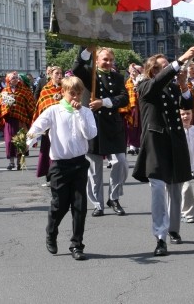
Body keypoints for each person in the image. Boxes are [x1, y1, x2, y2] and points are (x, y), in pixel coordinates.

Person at [133, 45, 194, 256]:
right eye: (163, 67)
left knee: (176, 189)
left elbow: (186, 104)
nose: (169, 70)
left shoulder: (171, 87)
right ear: (153, 70)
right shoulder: (144, 85)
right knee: (158, 190)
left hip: (175, 141)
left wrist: (183, 85)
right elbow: (155, 85)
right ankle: (160, 236)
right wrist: (180, 60)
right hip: (156, 142)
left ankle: (173, 229)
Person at [27, 76, 97, 261]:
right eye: (71, 93)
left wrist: (80, 113)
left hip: (79, 163)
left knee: (79, 206)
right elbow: (37, 127)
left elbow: (90, 133)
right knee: (60, 205)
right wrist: (27, 141)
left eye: (78, 93)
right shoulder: (53, 111)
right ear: (63, 92)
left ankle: (77, 244)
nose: (75, 96)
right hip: (59, 165)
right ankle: (51, 232)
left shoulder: (86, 112)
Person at [72, 46, 130, 217]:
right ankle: (98, 203)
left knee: (120, 162)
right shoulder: (90, 74)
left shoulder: (118, 77)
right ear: (97, 60)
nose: (108, 63)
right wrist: (88, 50)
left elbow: (124, 98)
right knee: (95, 168)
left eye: (111, 60)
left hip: (113, 125)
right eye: (105, 59)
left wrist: (103, 102)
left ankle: (114, 197)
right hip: (94, 125)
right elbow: (76, 68)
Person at [0, 72, 36, 170]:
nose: (15, 80)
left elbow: (31, 105)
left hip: (21, 120)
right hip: (9, 121)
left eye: (16, 78)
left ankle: (20, 162)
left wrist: (33, 118)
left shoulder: (25, 90)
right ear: (8, 80)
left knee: (20, 141)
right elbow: (0, 106)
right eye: (12, 78)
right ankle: (11, 162)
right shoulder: (4, 91)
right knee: (9, 142)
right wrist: (6, 105)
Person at [32, 66, 64, 178]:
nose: (59, 75)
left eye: (61, 73)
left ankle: (60, 173)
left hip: (63, 127)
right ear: (50, 75)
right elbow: (41, 107)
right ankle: (49, 174)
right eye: (57, 73)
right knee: (47, 151)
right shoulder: (45, 90)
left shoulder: (66, 89)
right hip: (49, 127)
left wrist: (63, 98)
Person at [120, 63, 143, 155]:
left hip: (141, 106)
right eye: (132, 71)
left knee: (140, 126)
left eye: (135, 71)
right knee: (130, 126)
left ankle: (139, 144)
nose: (133, 73)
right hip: (130, 106)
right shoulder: (126, 82)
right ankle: (132, 145)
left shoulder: (142, 81)